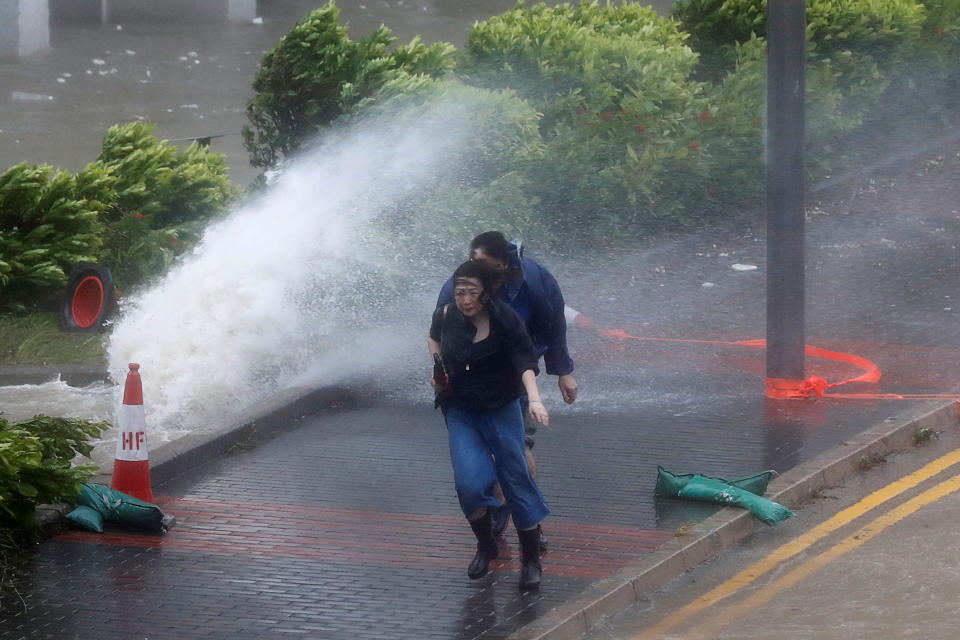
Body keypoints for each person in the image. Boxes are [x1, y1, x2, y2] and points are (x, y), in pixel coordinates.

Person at [437, 231, 578, 547]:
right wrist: (443, 374)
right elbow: (440, 329)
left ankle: (528, 521)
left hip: (515, 378)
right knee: (478, 459)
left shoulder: (533, 279)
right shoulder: (459, 286)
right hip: (471, 388)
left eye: (484, 265)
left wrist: (563, 372)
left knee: (517, 450)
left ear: (504, 265)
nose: (476, 273)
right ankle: (497, 510)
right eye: (473, 262)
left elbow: (554, 323)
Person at [429, 259, 550, 591]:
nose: (465, 300)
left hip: (501, 409)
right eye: (459, 292)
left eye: (472, 293)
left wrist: (535, 399)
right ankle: (486, 544)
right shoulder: (445, 315)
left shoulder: (505, 320)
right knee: (469, 484)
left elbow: (525, 362)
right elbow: (434, 340)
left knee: (515, 480)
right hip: (461, 411)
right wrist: (438, 368)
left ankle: (530, 561)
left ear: (486, 293)